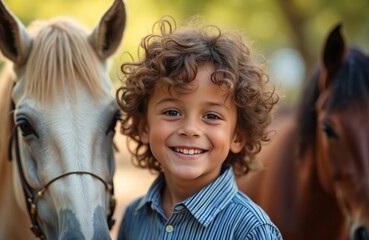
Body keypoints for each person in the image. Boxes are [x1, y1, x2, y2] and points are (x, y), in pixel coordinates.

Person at [116, 16, 282, 239]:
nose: (190, 129)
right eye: (172, 112)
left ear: (238, 137)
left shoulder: (252, 231)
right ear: (144, 127)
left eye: (211, 116)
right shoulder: (134, 218)